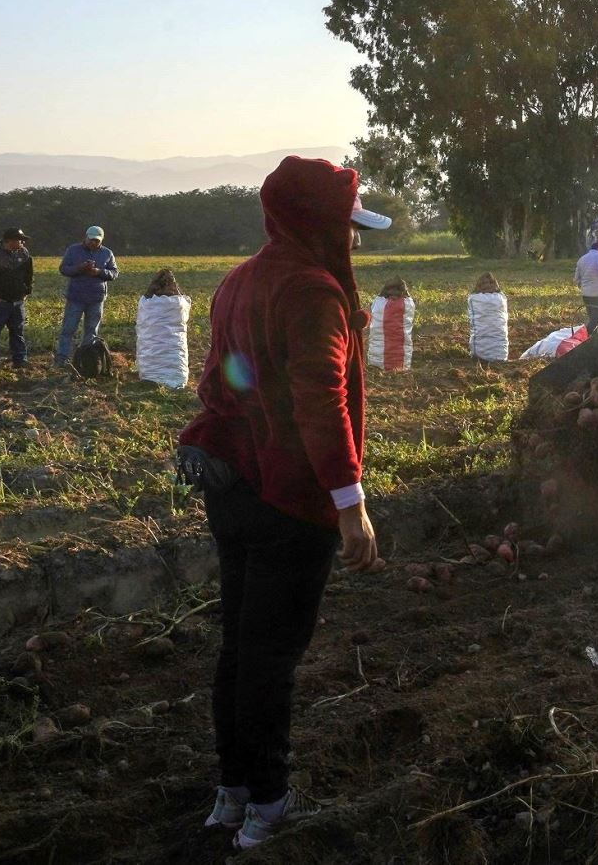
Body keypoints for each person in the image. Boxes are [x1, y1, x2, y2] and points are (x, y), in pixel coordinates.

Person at [175, 157, 391, 850]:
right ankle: (268, 801)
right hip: (290, 504)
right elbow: (321, 402)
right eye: (349, 225)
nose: (354, 240)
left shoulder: (239, 280)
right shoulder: (312, 292)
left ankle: (232, 790)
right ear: (320, 221)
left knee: (240, 646)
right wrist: (348, 501)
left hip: (233, 492)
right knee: (271, 658)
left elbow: (218, 382)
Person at [55, 226, 118, 366]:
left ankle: (86, 360)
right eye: (91, 240)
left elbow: (114, 273)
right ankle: (62, 359)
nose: (94, 243)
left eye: (97, 240)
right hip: (76, 297)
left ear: (101, 240)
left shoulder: (107, 253)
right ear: (86, 237)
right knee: (68, 329)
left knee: (91, 331)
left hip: (96, 298)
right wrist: (79, 268)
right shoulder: (73, 250)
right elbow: (63, 269)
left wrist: (99, 272)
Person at [0, 228, 34, 368]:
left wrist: (27, 291)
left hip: (17, 301)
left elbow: (29, 275)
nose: (22, 242)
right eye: (19, 240)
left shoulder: (24, 253)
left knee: (18, 332)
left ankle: (20, 359)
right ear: (8, 241)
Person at [574, 240, 598, 331]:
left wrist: (583, 286)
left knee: (592, 318)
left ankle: (592, 337)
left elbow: (576, 279)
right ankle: (586, 334)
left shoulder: (581, 259)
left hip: (586, 294)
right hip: (597, 294)